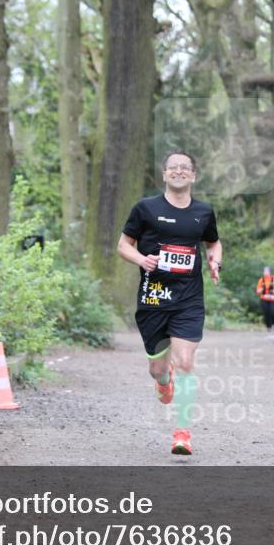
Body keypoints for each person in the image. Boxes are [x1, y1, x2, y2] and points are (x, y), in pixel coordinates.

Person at [117, 150, 222, 455]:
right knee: (157, 368)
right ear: (164, 175)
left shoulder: (204, 212)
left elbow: (213, 242)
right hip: (153, 299)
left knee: (186, 362)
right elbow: (124, 245)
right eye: (172, 168)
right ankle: (164, 380)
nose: (178, 171)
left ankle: (182, 433)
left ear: (193, 176)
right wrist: (141, 259)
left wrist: (215, 260)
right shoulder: (146, 209)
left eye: (184, 168)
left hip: (188, 299)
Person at [256, 266, 274, 332]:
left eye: (267, 271)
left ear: (270, 272)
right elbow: (257, 290)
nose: (265, 273)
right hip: (264, 299)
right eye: (264, 271)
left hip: (273, 299)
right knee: (266, 313)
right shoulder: (261, 280)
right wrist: (260, 290)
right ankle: (268, 327)